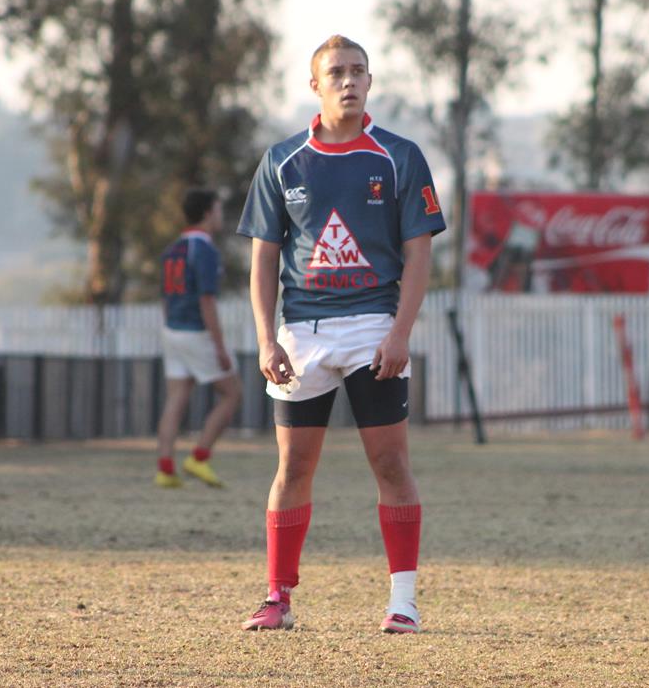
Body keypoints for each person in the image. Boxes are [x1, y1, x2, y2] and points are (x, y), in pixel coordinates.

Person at [235, 35, 446, 633]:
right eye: (336, 73)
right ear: (316, 85)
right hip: (302, 333)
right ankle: (277, 598)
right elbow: (263, 258)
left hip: (374, 327)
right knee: (293, 467)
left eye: (358, 71)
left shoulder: (398, 156)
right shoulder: (283, 161)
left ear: (370, 81)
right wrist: (267, 339)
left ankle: (403, 601)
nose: (349, 81)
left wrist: (400, 332)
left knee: (390, 462)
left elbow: (419, 252)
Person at [154, 189, 241, 488]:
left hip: (172, 330)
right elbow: (206, 301)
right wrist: (219, 346)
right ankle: (200, 457)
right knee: (232, 394)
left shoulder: (172, 249)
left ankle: (165, 468)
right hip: (196, 332)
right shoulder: (204, 250)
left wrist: (170, 328)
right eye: (218, 210)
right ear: (207, 213)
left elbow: (165, 297)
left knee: (176, 397)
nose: (220, 216)